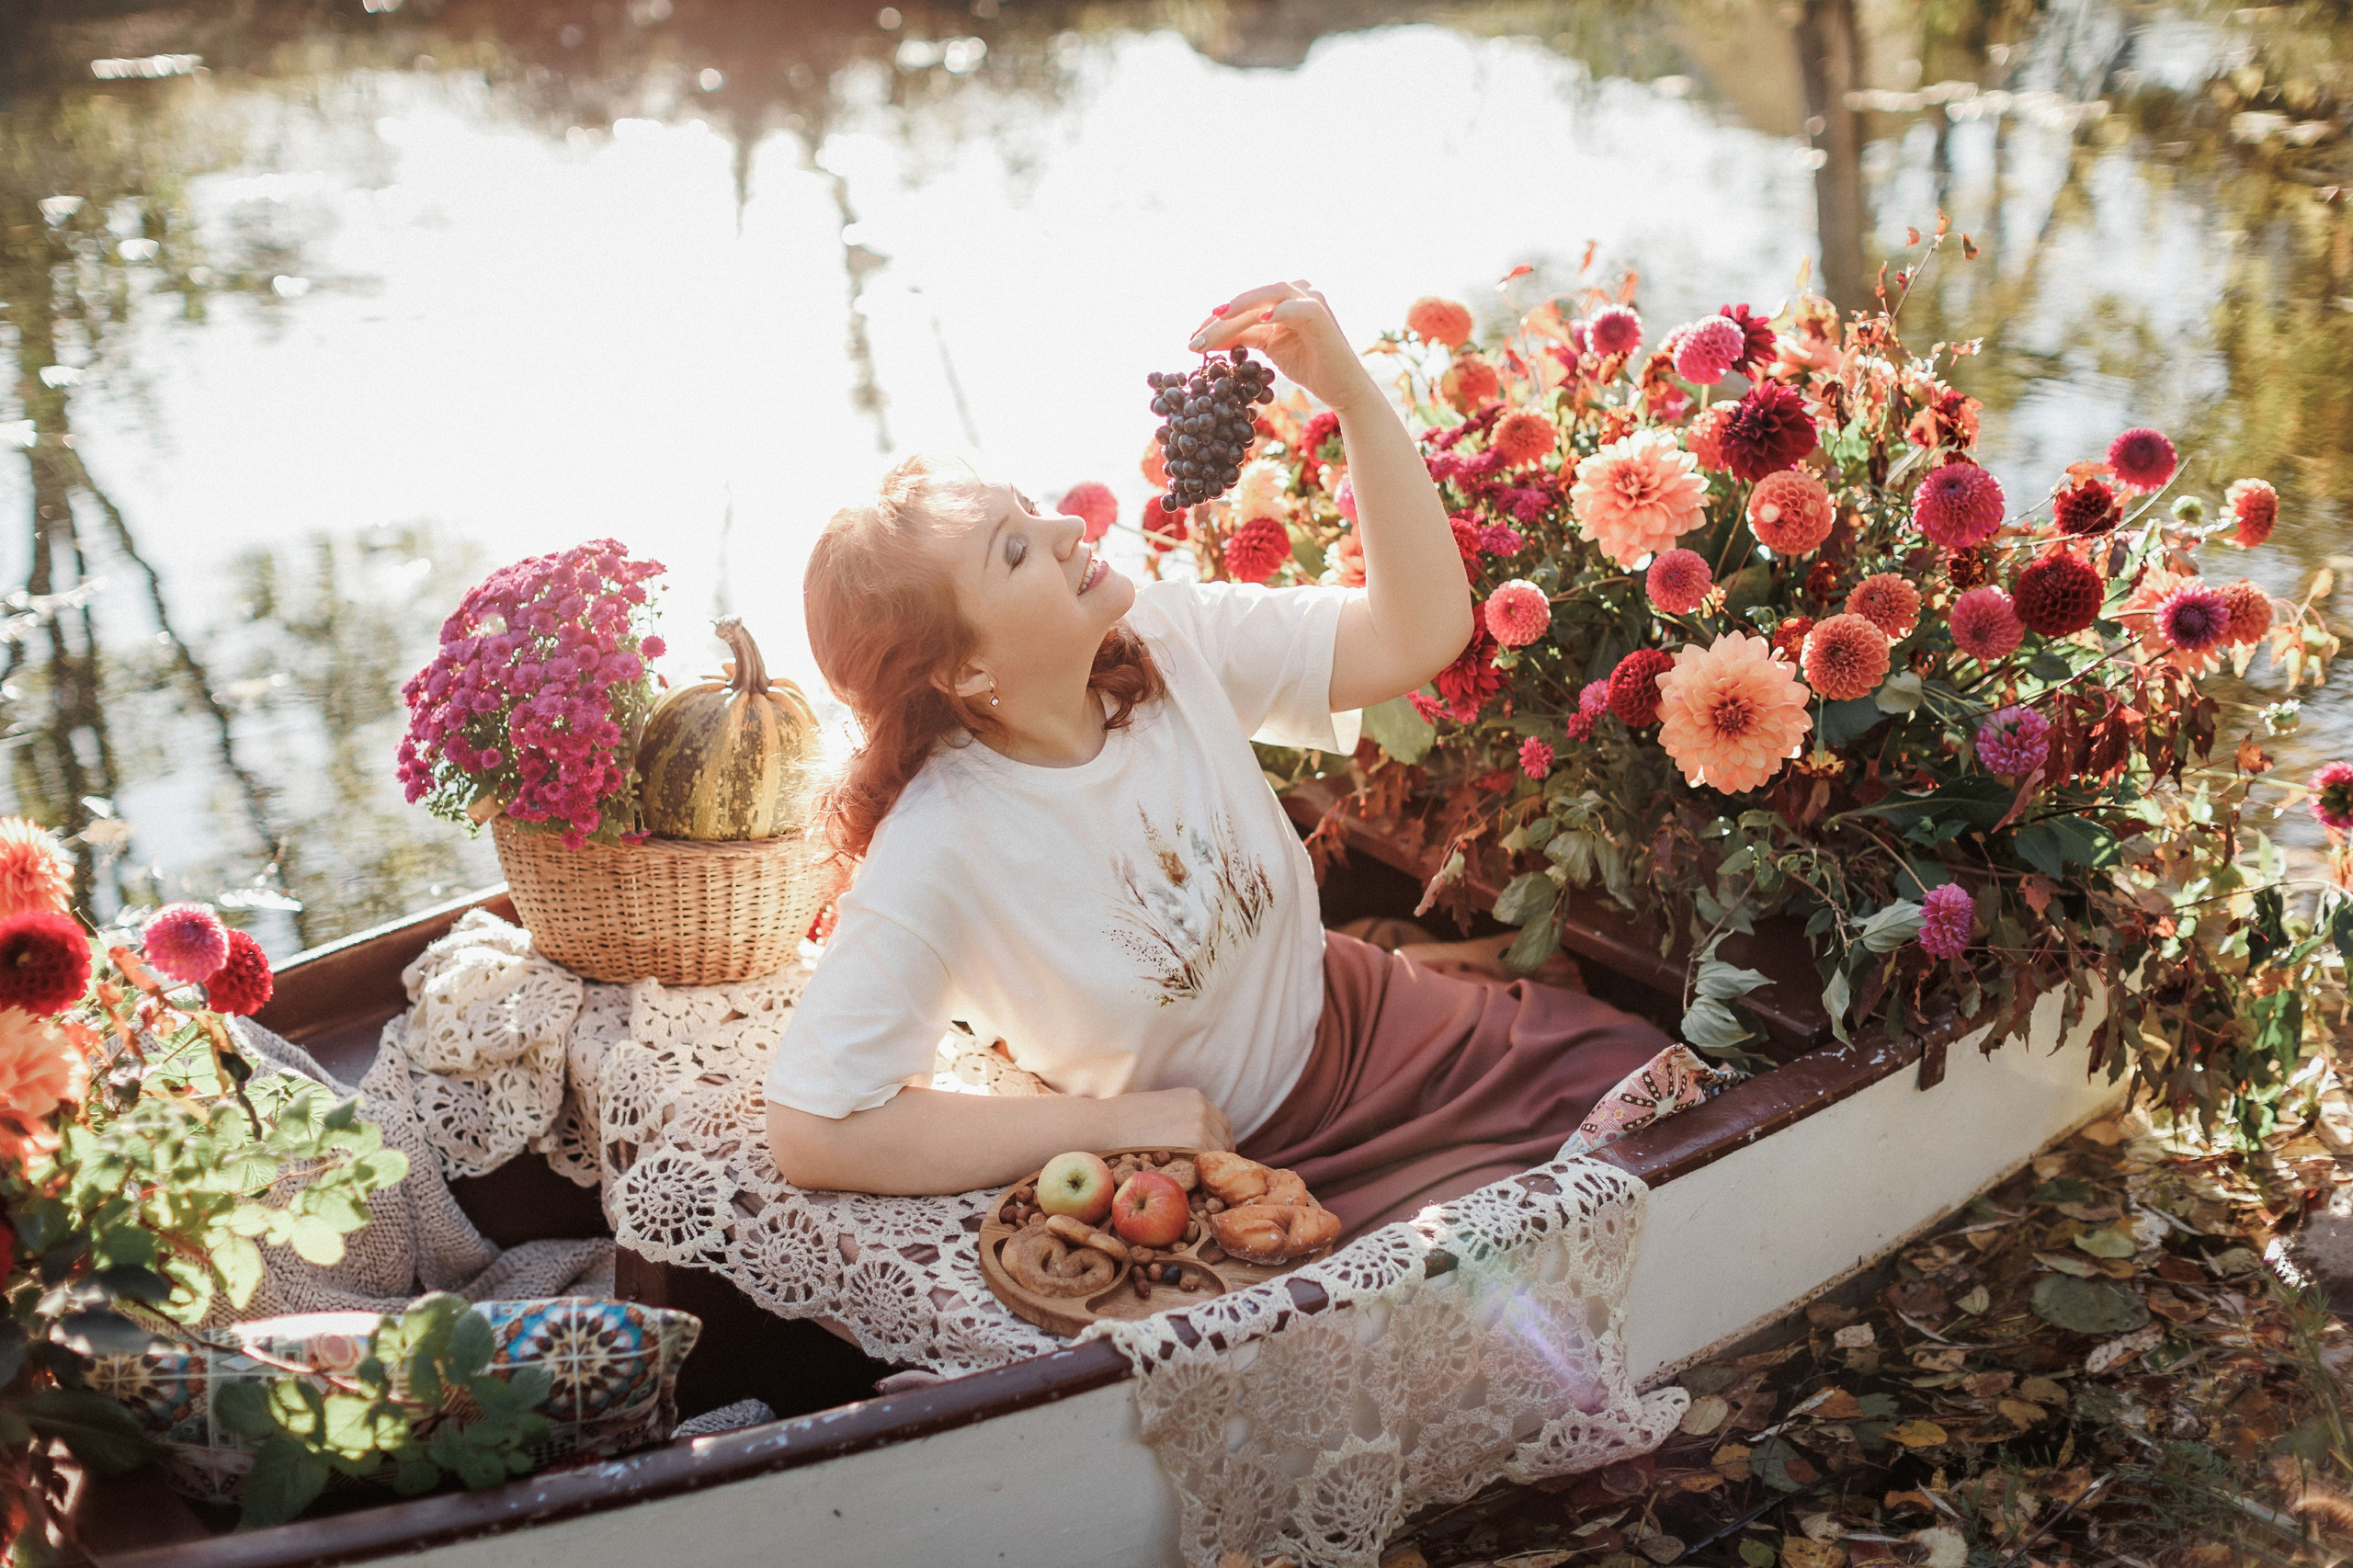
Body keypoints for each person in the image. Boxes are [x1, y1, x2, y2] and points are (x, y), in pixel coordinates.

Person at [767, 281, 1670, 1235]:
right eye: (1016, 551)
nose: (1067, 530)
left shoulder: (1163, 637)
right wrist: (1118, 1127)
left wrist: (1350, 394)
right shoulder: (940, 846)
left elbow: (1416, 634)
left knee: (1651, 1087)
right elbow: (815, 1127)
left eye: (1029, 510)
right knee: (1500, 1257)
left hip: (1377, 1024)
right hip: (1248, 1165)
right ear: (961, 668)